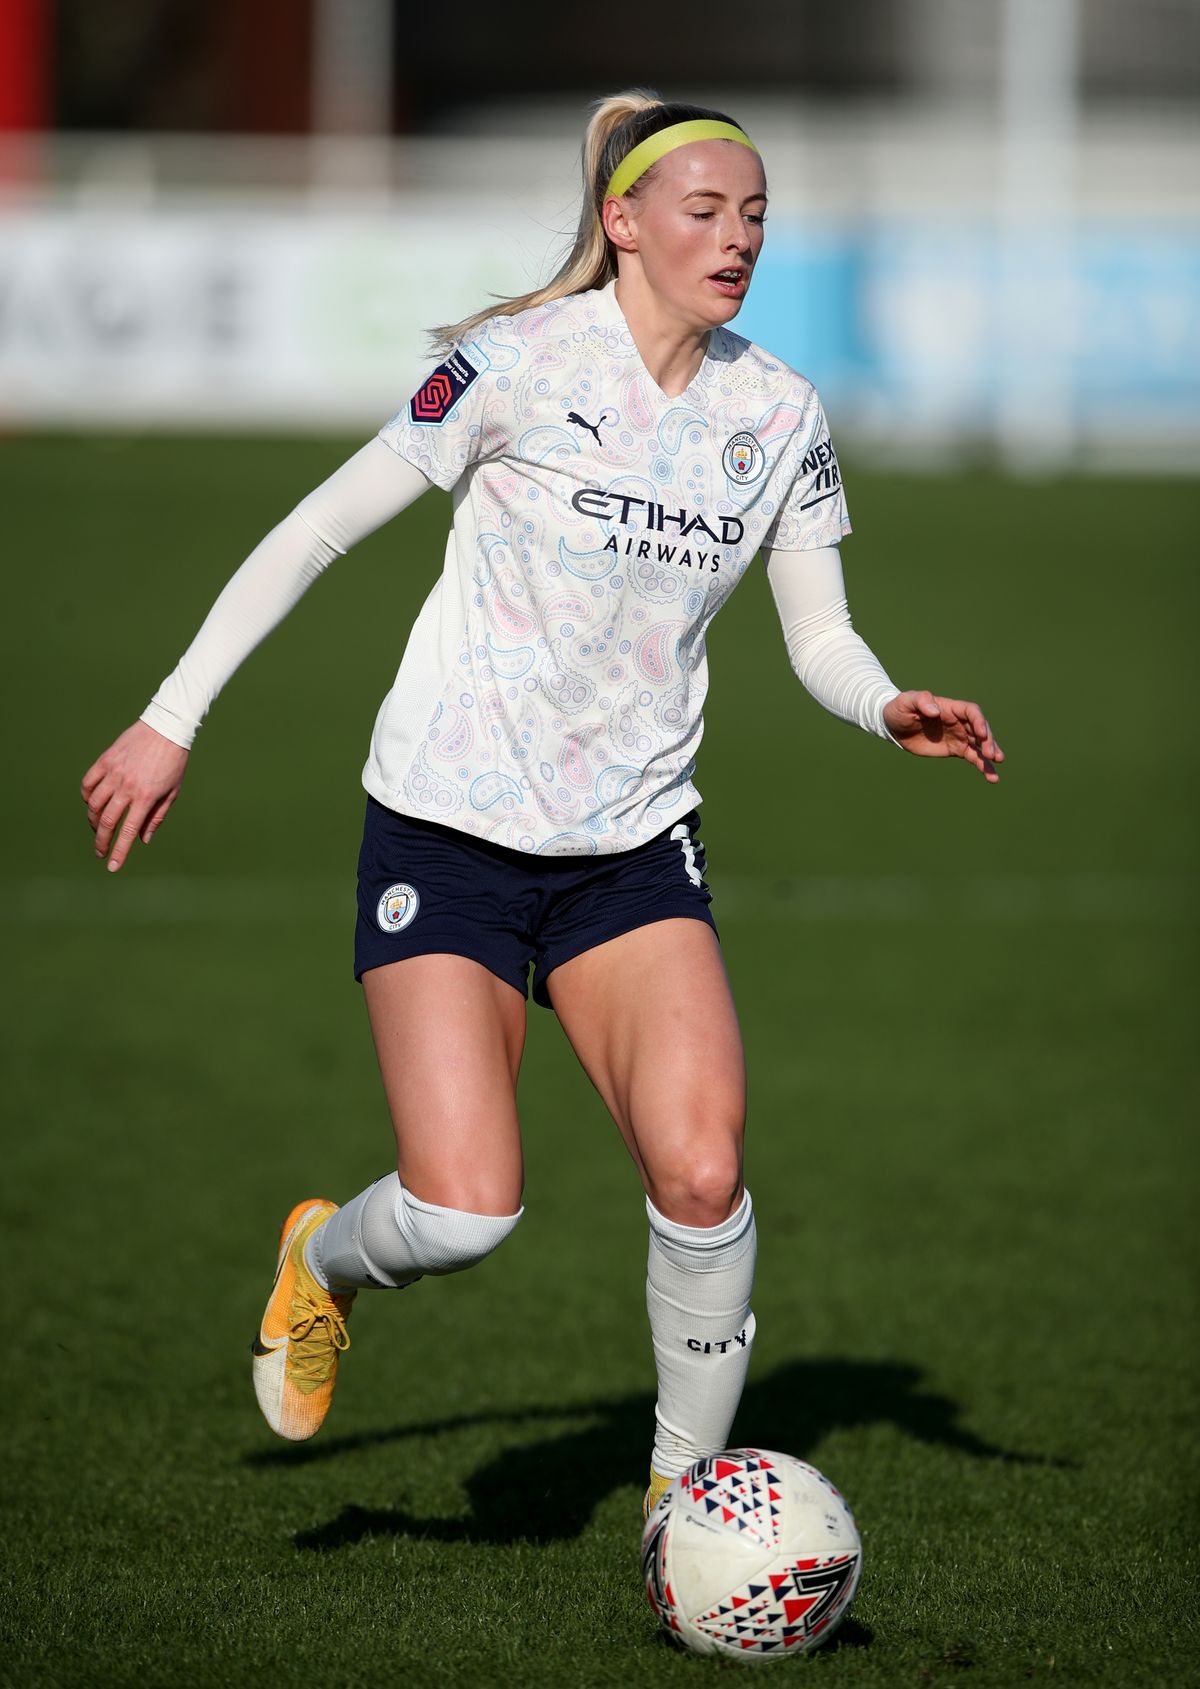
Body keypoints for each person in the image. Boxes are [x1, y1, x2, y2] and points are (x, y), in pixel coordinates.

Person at [81, 91, 1002, 1518]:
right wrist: (168, 718)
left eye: (755, 215)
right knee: (462, 1210)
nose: (737, 238)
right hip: (446, 830)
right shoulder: (510, 366)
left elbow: (819, 635)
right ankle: (318, 1262)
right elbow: (320, 525)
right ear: (623, 223)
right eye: (704, 210)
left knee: (701, 1171)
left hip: (629, 850)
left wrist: (887, 702)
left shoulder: (779, 412)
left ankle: (680, 1503)